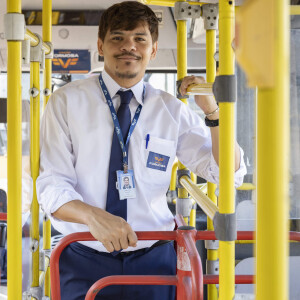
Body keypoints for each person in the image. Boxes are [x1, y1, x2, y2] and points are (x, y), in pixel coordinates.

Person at [36, 1, 246, 300]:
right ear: (101, 45)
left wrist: (212, 113)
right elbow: (51, 185)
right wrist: (94, 216)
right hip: (84, 253)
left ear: (153, 49)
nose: (128, 47)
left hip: (154, 254)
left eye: (139, 39)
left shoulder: (171, 109)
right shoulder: (66, 102)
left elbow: (226, 174)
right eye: (117, 37)